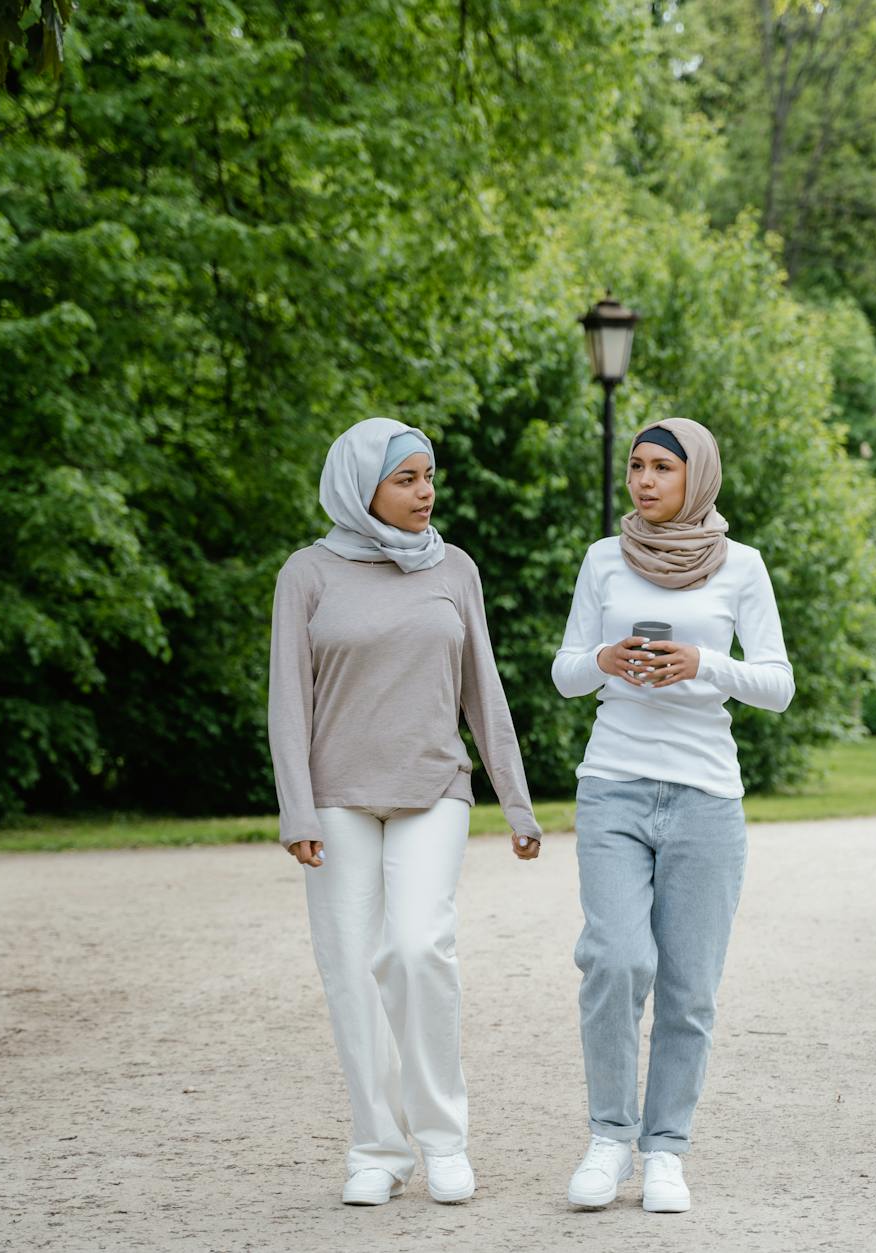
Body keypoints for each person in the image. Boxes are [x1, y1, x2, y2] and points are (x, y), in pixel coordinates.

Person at [267, 417, 544, 1207]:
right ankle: (377, 1149)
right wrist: (298, 811)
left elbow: (482, 689)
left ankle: (443, 1139)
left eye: (429, 476)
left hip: (433, 789)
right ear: (363, 489)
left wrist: (515, 800)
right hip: (335, 796)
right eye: (407, 479)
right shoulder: (307, 574)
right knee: (350, 969)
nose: (426, 492)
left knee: (420, 949)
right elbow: (289, 700)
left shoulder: (454, 568)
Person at [551, 417, 794, 1214]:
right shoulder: (601, 559)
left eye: (662, 466)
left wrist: (702, 664)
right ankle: (608, 1138)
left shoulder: (742, 566)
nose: (644, 479)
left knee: (690, 990)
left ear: (700, 477)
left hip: (705, 796)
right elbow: (564, 673)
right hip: (613, 784)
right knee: (617, 961)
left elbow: (777, 683)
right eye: (636, 465)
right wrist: (604, 661)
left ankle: (665, 1151)